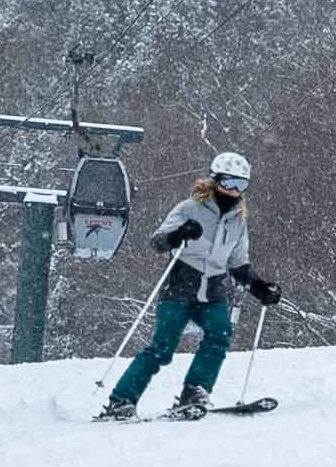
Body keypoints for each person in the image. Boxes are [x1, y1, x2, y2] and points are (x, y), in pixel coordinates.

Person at [96, 151, 281, 421]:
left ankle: (195, 391)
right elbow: (158, 242)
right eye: (229, 183)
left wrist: (260, 288)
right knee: (162, 349)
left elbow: (238, 263)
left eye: (241, 185)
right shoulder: (189, 208)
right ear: (215, 180)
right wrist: (179, 234)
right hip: (180, 288)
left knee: (219, 335)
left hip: (214, 290)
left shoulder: (237, 221)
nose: (234, 191)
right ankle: (121, 401)